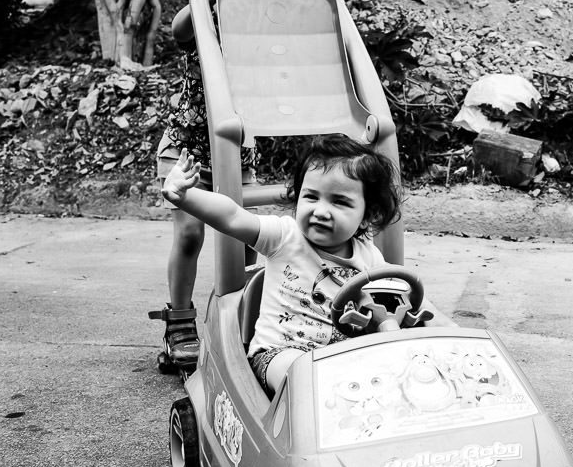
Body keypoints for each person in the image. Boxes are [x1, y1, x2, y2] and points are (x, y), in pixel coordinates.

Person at [161, 133, 454, 395]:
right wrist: (186, 196)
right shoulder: (284, 237)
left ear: (366, 215)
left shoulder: (370, 257)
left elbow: (405, 300)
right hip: (280, 355)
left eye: (339, 202)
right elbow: (232, 216)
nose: (320, 211)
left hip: (342, 361)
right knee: (305, 379)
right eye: (311, 196)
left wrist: (446, 328)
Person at [150, 0, 273, 370]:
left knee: (245, 246)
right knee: (190, 235)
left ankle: (236, 326)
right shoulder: (204, 23)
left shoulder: (261, 35)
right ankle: (179, 324)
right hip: (186, 149)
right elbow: (179, 29)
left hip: (238, 156)